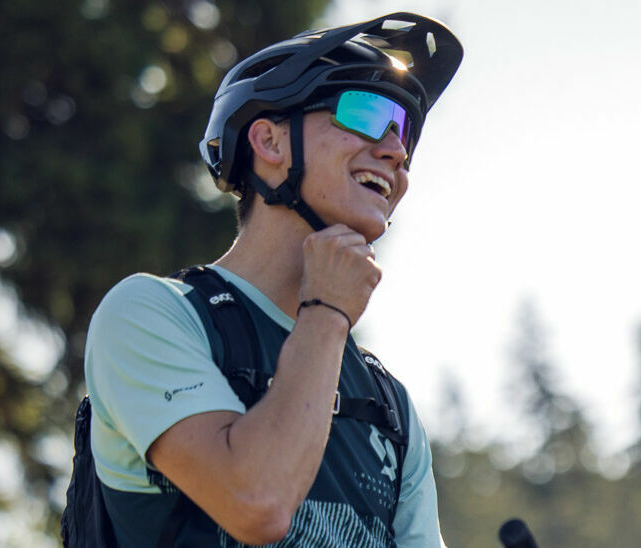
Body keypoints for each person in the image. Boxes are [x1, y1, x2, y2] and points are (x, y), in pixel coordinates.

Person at [80, 12, 461, 546]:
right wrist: (327, 310)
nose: (396, 152)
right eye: (368, 112)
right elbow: (255, 502)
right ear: (269, 142)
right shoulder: (150, 313)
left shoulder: (390, 408)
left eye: (406, 136)